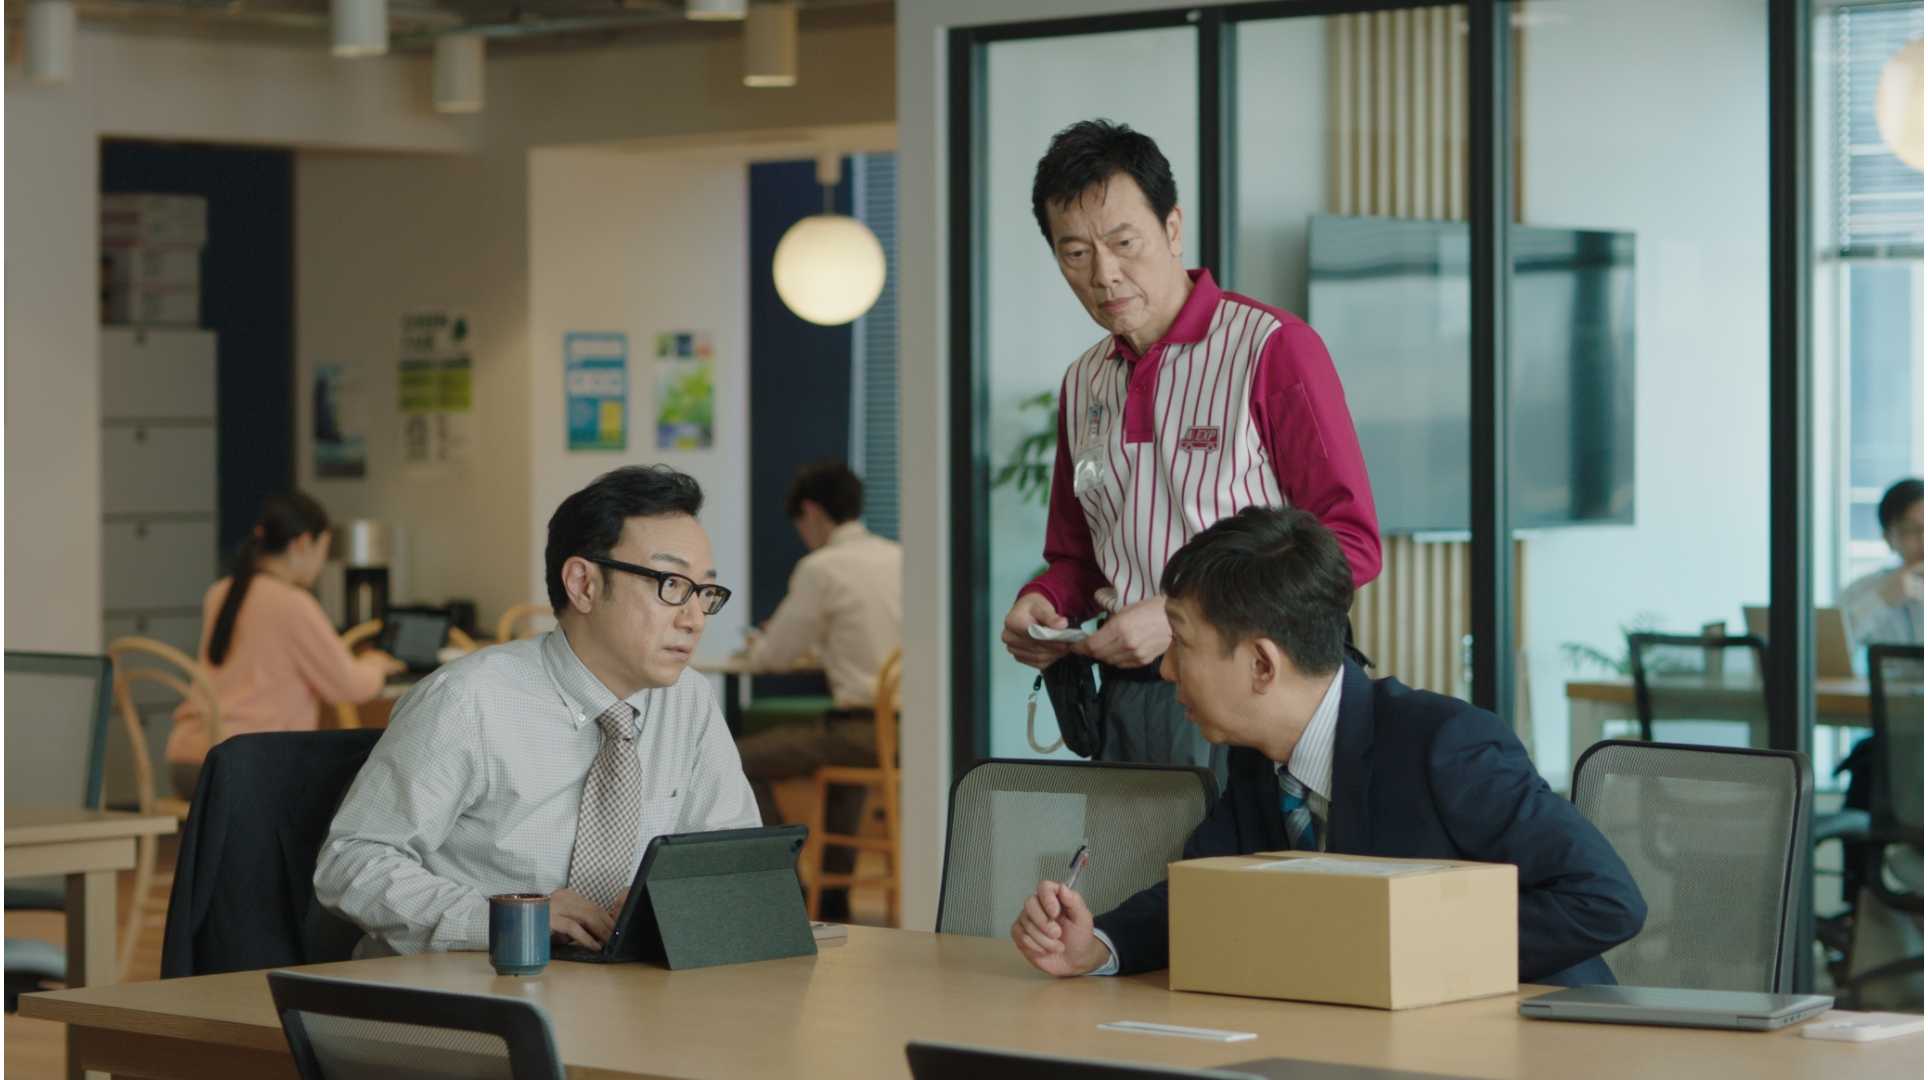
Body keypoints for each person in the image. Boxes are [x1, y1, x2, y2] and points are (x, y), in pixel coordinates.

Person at [1010, 507, 1645, 986]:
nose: (1167, 669)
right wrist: (1097, 946)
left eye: (1182, 643)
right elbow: (1203, 895)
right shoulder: (1257, 758)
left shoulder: (1444, 746)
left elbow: (1604, 899)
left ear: (1263, 665)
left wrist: (1401, 947)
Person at [1000, 119, 1381, 777]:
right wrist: (1045, 600)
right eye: (1076, 253)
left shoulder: (1271, 349)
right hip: (1132, 704)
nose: (1105, 275)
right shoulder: (1083, 382)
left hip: (1264, 699)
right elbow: (1078, 557)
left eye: (1124, 243)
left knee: (1248, 851)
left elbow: (1351, 546)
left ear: (1172, 228)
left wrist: (1185, 615)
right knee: (1132, 852)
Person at [315, 465, 761, 957]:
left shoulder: (689, 701)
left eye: (704, 592)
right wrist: (508, 920)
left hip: (620, 983)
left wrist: (670, 906)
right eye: (671, 585)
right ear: (583, 584)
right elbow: (351, 862)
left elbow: (735, 859)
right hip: (469, 981)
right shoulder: (468, 701)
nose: (694, 618)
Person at [737, 461, 902, 920]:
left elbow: (772, 658)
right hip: (911, 730)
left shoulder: (821, 567)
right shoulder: (899, 557)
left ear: (810, 512)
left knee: (734, 759)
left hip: (864, 730)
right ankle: (833, 899)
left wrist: (760, 641)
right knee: (839, 742)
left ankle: (787, 890)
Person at [163, 493, 401, 799]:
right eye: (322, 552)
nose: (320, 567)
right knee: (356, 788)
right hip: (242, 766)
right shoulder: (293, 604)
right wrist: (375, 666)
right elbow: (349, 686)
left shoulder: (220, 592)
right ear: (302, 543)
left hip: (188, 759)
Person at [1840, 478, 1923, 652]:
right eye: (1912, 530)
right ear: (1888, 538)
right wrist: (1882, 599)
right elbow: (1830, 646)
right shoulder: (1862, 591)